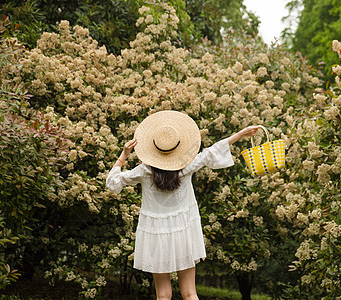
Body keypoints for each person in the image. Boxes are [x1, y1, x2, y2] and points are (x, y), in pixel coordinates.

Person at [106, 110, 259, 300]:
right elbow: (211, 152)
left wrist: (124, 154)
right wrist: (242, 133)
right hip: (184, 232)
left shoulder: (144, 171)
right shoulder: (187, 166)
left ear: (154, 149)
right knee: (190, 293)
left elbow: (112, 183)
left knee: (163, 295)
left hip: (156, 234)